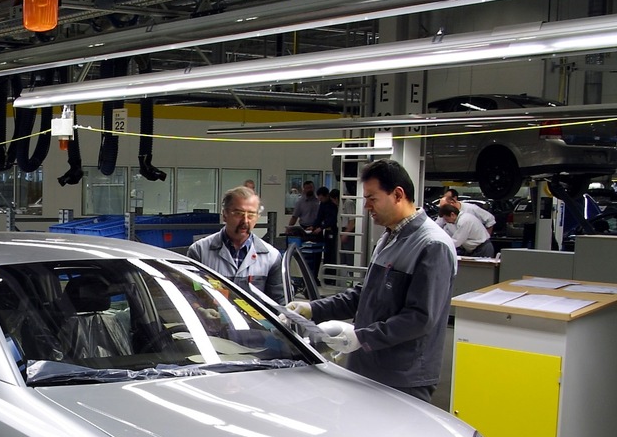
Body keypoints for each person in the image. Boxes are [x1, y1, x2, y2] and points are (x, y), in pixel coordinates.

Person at [285, 159, 456, 403]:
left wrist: (362, 337)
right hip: (369, 366)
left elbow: (420, 318)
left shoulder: (432, 245)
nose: (366, 206)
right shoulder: (389, 238)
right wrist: (313, 308)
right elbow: (364, 294)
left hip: (402, 376)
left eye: (372, 198)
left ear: (398, 194)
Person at [186, 186, 285, 303]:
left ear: (257, 217)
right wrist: (201, 310)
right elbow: (189, 293)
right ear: (225, 214)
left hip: (254, 322)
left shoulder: (271, 257)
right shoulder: (200, 251)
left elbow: (278, 303)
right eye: (238, 213)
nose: (245, 221)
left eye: (251, 214)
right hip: (211, 321)